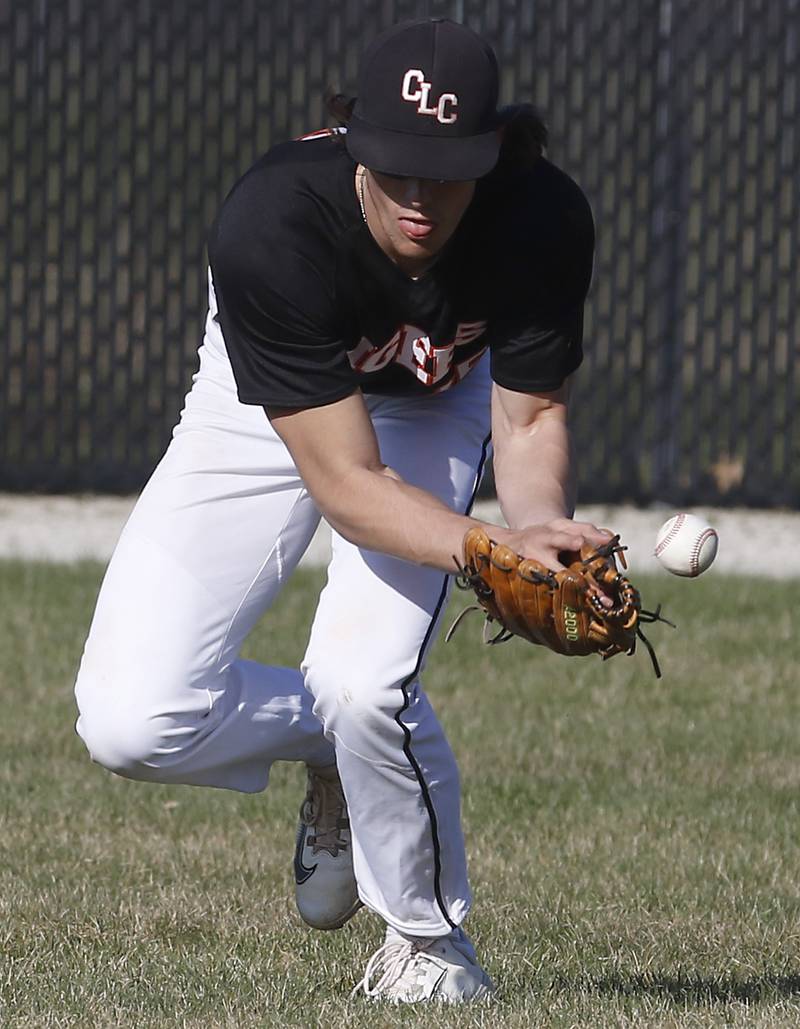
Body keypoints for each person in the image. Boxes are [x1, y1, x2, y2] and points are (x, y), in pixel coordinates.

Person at [74, 18, 609, 1003]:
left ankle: (430, 946)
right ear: (350, 139)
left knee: (366, 683)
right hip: (278, 401)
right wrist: (491, 554)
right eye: (394, 165)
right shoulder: (271, 223)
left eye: (443, 170)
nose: (416, 195)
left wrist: (535, 528)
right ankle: (336, 748)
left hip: (432, 407)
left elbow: (527, 416)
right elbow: (346, 487)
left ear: (493, 155)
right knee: (129, 720)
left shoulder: (539, 217)